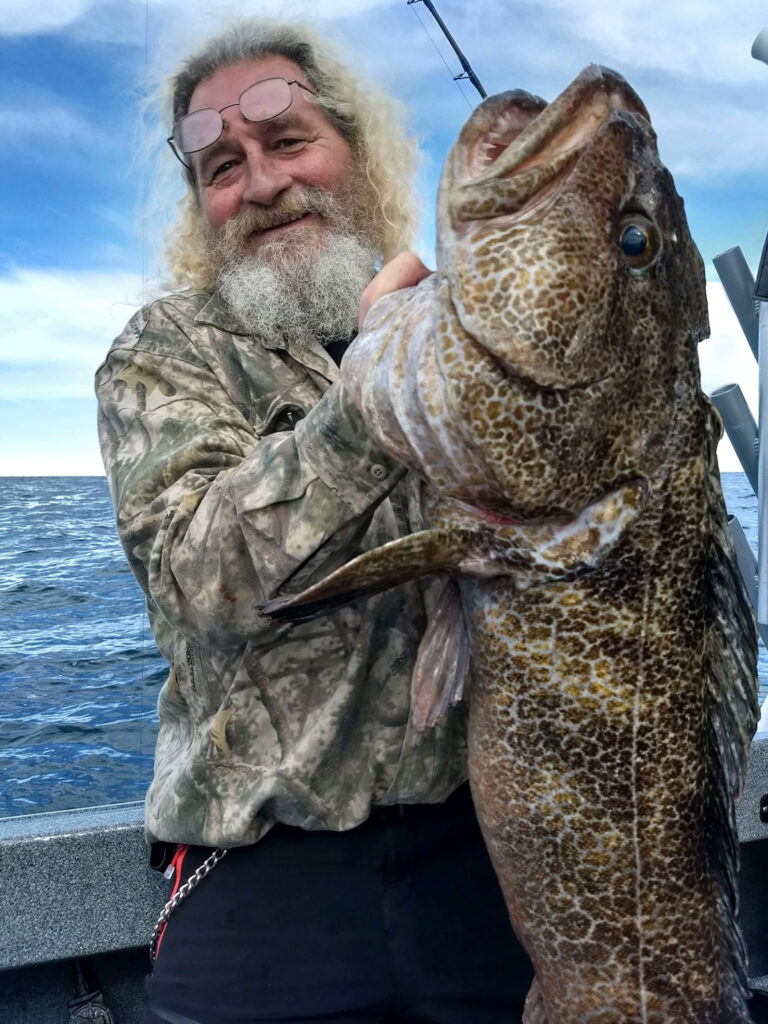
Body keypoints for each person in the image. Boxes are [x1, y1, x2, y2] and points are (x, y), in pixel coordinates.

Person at [95, 17, 533, 1024]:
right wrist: (373, 399)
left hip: (493, 844)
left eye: (288, 141)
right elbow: (200, 580)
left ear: (355, 150)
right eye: (220, 168)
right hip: (265, 866)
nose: (259, 183)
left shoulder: (467, 319)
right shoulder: (163, 351)